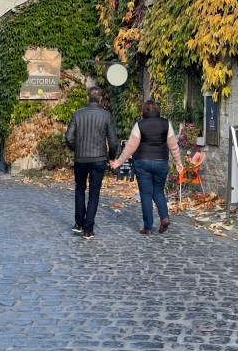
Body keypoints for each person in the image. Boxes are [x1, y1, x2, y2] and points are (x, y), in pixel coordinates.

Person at [110, 100, 183, 235]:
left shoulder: (140, 125)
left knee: (146, 194)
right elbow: (173, 145)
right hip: (161, 161)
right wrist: (178, 162)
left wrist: (119, 162)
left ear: (144, 111)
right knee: (159, 191)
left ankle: (148, 227)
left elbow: (130, 147)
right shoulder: (166, 124)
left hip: (142, 162)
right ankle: (164, 217)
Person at [65, 86, 118, 240]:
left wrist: (76, 149)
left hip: (80, 158)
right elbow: (113, 141)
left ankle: (79, 223)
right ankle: (88, 229)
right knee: (94, 193)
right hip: (99, 159)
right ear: (100, 98)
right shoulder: (106, 115)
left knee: (80, 189)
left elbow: (68, 137)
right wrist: (112, 157)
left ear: (88, 97)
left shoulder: (77, 114)